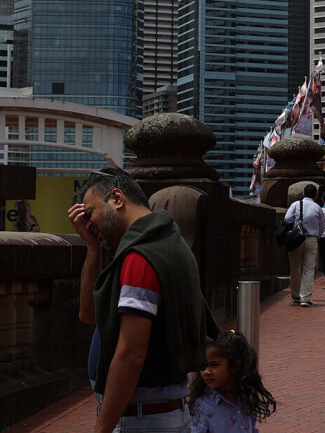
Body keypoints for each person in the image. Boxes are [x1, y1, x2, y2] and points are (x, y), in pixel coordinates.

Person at [67, 168, 219, 433]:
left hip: (141, 420)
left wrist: (102, 429)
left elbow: (131, 355)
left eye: (90, 213)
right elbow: (90, 315)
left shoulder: (140, 258)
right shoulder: (170, 243)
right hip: (157, 414)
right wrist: (92, 248)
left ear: (117, 198)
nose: (88, 224)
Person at [189, 331, 276, 432]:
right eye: (203, 365)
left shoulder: (246, 397)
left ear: (234, 367)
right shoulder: (202, 407)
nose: (206, 371)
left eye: (214, 365)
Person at [284, 184, 325, 307]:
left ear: (303, 194)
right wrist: (316, 237)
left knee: (295, 268)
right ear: (316, 195)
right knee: (309, 269)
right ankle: (305, 298)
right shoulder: (317, 207)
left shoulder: (295, 205)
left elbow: (287, 219)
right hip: (311, 239)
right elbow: (322, 227)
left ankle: (295, 294)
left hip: (296, 239)